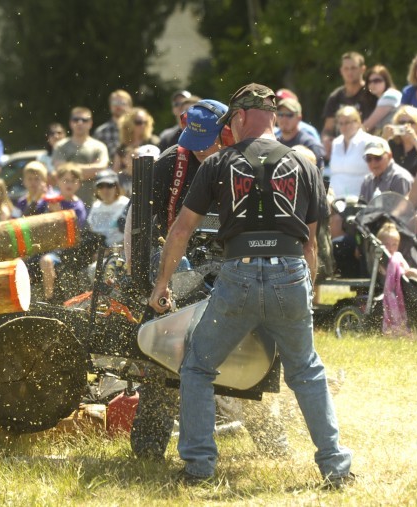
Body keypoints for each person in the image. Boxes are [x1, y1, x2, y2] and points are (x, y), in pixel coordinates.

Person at [149, 83, 353, 488]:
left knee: (197, 367)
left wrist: (161, 285)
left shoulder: (217, 163)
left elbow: (181, 230)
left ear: (240, 117)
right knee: (307, 372)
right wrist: (305, 291)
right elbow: (310, 244)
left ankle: (199, 468)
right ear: (273, 117)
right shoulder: (305, 166)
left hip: (238, 274)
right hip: (290, 272)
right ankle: (335, 467)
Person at [127, 99, 231, 461]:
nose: (200, 150)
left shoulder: (242, 164)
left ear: (226, 133)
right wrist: (156, 280)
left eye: (208, 142)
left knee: (246, 355)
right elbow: (138, 223)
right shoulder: (173, 161)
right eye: (195, 142)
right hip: (175, 271)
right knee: (165, 353)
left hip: (228, 271)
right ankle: (149, 448)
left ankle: (274, 442)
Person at [39, 163, 87, 300]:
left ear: (79, 184)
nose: (69, 184)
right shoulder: (49, 199)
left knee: (46, 261)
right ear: (58, 182)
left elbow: (74, 232)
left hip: (64, 250)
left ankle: (48, 298)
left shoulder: (78, 206)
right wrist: (39, 195)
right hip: (45, 244)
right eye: (65, 180)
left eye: (73, 180)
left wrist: (58, 213)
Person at [52, 107, 110, 205]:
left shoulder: (99, 146)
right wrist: (90, 169)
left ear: (90, 123)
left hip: (92, 202)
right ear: (70, 123)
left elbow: (101, 169)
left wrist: (69, 169)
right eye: (76, 120)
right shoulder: (60, 146)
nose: (80, 123)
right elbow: (60, 169)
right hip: (63, 203)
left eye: (84, 120)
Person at [321, 51, 378, 141]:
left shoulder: (372, 94)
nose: (350, 72)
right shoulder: (335, 97)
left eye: (353, 68)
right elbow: (328, 129)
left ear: (362, 69)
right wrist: (326, 140)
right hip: (341, 146)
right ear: (341, 71)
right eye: (346, 68)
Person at [378, 221, 417, 337]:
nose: (391, 248)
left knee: (413, 272)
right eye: (387, 244)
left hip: (407, 281)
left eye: (394, 244)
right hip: (401, 287)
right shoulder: (383, 260)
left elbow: (406, 271)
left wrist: (407, 272)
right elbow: (384, 274)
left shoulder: (398, 257)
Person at [329, 105, 373, 198]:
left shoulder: (368, 141)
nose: (344, 127)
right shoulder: (336, 142)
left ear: (358, 122)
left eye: (347, 122)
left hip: (359, 200)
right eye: (340, 123)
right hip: (335, 200)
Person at [358, 136, 413, 203]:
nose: (373, 163)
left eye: (377, 158)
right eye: (368, 159)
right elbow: (362, 210)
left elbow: (403, 211)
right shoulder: (368, 181)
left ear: (389, 156)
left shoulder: (399, 179)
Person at [276, 97, 326, 168]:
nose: (284, 118)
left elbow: (317, 176)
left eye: (289, 115)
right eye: (280, 114)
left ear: (299, 118)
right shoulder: (274, 143)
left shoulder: (310, 145)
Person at [87, 169, 129, 247]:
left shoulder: (126, 204)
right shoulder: (96, 206)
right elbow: (92, 229)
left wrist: (109, 251)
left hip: (118, 251)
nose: (105, 190)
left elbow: (130, 235)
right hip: (97, 249)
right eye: (101, 186)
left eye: (109, 185)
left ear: (116, 187)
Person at [361, 65, 402, 135]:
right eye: (369, 81)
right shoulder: (381, 98)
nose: (372, 84)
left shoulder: (390, 95)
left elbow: (368, 126)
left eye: (377, 81)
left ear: (386, 81)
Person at [381, 105, 417, 177]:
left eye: (411, 122)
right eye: (402, 122)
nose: (406, 126)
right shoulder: (391, 143)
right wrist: (384, 138)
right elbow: (374, 160)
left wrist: (414, 139)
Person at [93, 89, 133, 158]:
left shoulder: (138, 127)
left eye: (122, 103)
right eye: (115, 102)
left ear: (130, 107)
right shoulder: (101, 131)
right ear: (110, 106)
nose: (118, 106)